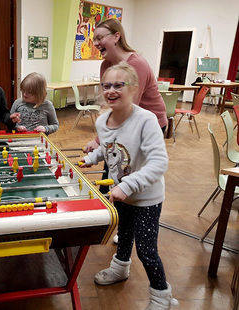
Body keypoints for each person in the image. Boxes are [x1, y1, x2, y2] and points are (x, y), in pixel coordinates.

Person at [79, 62, 177, 310]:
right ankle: (119, 268)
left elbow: (158, 162)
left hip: (146, 198)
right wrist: (92, 158)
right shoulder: (102, 121)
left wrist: (128, 185)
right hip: (120, 194)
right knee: (123, 237)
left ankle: (160, 295)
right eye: (106, 86)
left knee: (145, 250)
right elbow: (110, 147)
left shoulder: (146, 120)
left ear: (133, 89)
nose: (111, 90)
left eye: (119, 85)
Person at [83, 19, 168, 244]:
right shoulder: (106, 64)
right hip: (126, 121)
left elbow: (129, 110)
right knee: (114, 165)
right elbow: (111, 106)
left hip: (149, 121)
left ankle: (126, 219)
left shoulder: (136, 63)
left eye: (100, 38)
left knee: (130, 169)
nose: (97, 43)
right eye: (95, 40)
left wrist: (99, 140)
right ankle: (111, 214)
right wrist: (101, 138)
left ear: (116, 37)